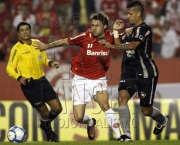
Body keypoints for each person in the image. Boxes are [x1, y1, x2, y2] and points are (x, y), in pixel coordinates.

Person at [33, 12, 122, 141]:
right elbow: (65, 41)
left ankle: (120, 136)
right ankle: (90, 122)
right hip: (80, 79)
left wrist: (118, 31)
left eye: (97, 25)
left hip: (98, 78)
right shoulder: (85, 36)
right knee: (79, 117)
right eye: (92, 25)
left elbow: (119, 46)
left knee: (104, 104)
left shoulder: (110, 36)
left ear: (105, 26)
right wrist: (46, 46)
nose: (94, 28)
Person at [99, 0, 169, 142]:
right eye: (127, 14)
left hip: (146, 72)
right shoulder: (129, 31)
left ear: (138, 13)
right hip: (129, 72)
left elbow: (131, 46)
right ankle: (127, 135)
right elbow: (119, 46)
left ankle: (162, 120)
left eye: (130, 14)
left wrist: (111, 46)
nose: (128, 17)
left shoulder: (145, 29)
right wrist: (116, 32)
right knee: (122, 97)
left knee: (146, 110)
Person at [6, 22, 62, 142]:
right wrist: (19, 77)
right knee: (45, 114)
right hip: (29, 85)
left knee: (58, 108)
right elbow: (9, 68)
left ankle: (44, 124)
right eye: (22, 30)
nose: (25, 32)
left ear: (30, 31)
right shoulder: (16, 49)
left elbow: (43, 59)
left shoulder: (37, 43)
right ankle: (50, 135)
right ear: (18, 33)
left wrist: (51, 63)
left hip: (42, 80)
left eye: (27, 29)